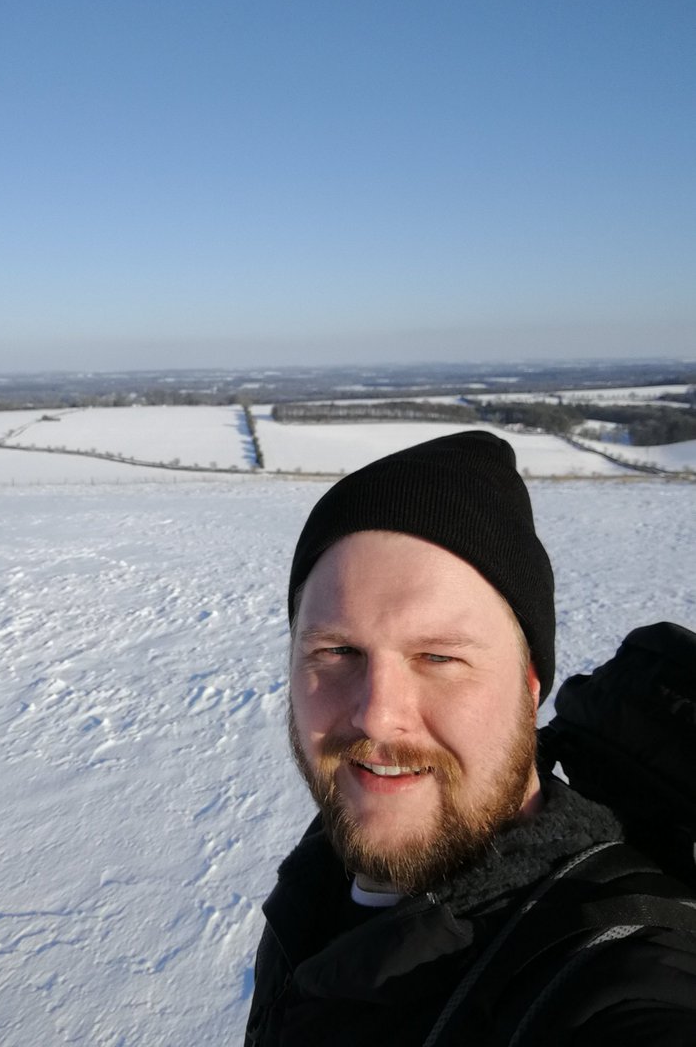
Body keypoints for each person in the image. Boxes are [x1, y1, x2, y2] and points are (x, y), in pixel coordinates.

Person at [245, 431, 696, 1046]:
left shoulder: (616, 971)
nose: (377, 717)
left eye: (437, 657)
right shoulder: (321, 875)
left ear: (530, 683)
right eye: (338, 650)